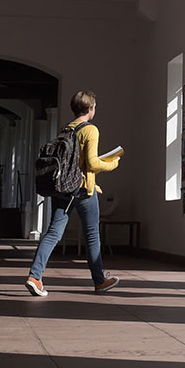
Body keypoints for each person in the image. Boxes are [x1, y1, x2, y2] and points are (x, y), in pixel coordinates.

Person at [25, 90, 122, 296]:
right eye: (95, 107)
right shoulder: (91, 130)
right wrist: (113, 164)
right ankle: (99, 281)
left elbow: (72, 164)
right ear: (90, 109)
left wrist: (93, 184)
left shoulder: (66, 128)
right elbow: (92, 163)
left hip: (63, 187)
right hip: (81, 190)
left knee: (53, 233)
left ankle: (35, 276)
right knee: (92, 235)